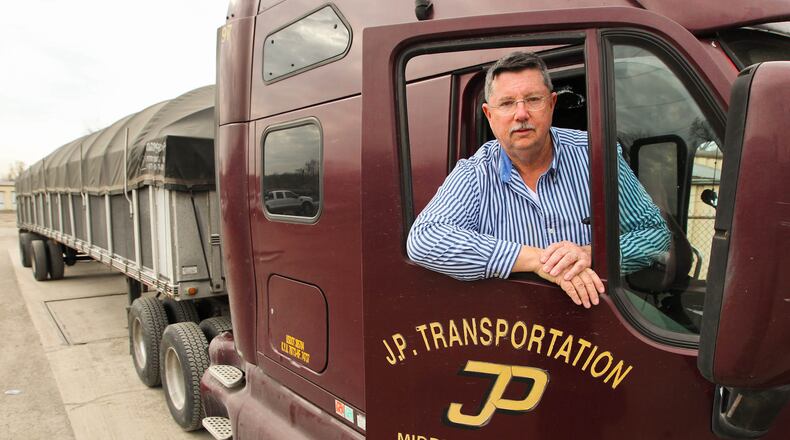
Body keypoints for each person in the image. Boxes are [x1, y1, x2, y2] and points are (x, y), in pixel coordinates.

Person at [406, 51, 669, 308]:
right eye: (507, 103)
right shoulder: (475, 173)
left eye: (532, 99)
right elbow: (424, 239)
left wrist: (591, 253)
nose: (521, 114)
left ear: (552, 104)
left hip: (600, 329)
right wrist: (537, 261)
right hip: (517, 334)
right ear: (489, 114)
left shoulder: (596, 156)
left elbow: (656, 235)